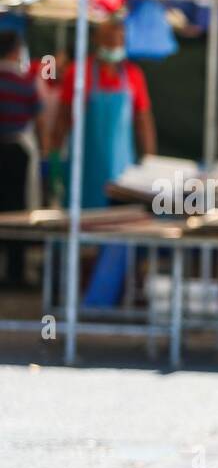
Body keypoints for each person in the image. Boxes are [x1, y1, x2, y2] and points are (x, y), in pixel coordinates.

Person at [52, 16, 156, 307]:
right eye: (109, 40)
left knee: (124, 234)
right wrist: (53, 158)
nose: (114, 45)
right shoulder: (78, 73)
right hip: (85, 171)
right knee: (83, 235)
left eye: (119, 40)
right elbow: (62, 118)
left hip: (124, 176)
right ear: (97, 41)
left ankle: (122, 295)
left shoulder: (134, 75)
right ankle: (80, 298)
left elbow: (143, 121)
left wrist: (150, 163)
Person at [0, 29, 44, 284]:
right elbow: (39, 119)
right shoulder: (25, 83)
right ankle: (15, 272)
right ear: (16, 51)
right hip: (17, 153)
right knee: (17, 212)